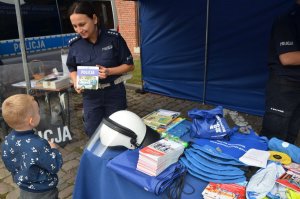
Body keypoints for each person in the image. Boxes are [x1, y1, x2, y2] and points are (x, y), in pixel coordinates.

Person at [66, 1, 134, 137]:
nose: (79, 30)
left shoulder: (113, 39)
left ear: (95, 19)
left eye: (82, 24)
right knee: (93, 132)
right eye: (75, 26)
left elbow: (130, 65)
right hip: (91, 96)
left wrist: (109, 71)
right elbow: (72, 67)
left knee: (117, 131)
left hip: (114, 92)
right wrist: (76, 81)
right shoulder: (75, 45)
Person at [1, 94, 63, 199]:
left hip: (24, 190)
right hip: (44, 192)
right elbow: (54, 165)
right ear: (31, 121)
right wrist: (53, 149)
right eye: (38, 112)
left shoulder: (6, 141)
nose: (40, 114)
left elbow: (9, 165)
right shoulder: (39, 144)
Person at [261, 1, 300, 144]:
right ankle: (259, 166)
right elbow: (287, 57)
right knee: (273, 136)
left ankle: (282, 166)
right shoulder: (288, 19)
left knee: (290, 136)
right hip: (285, 84)